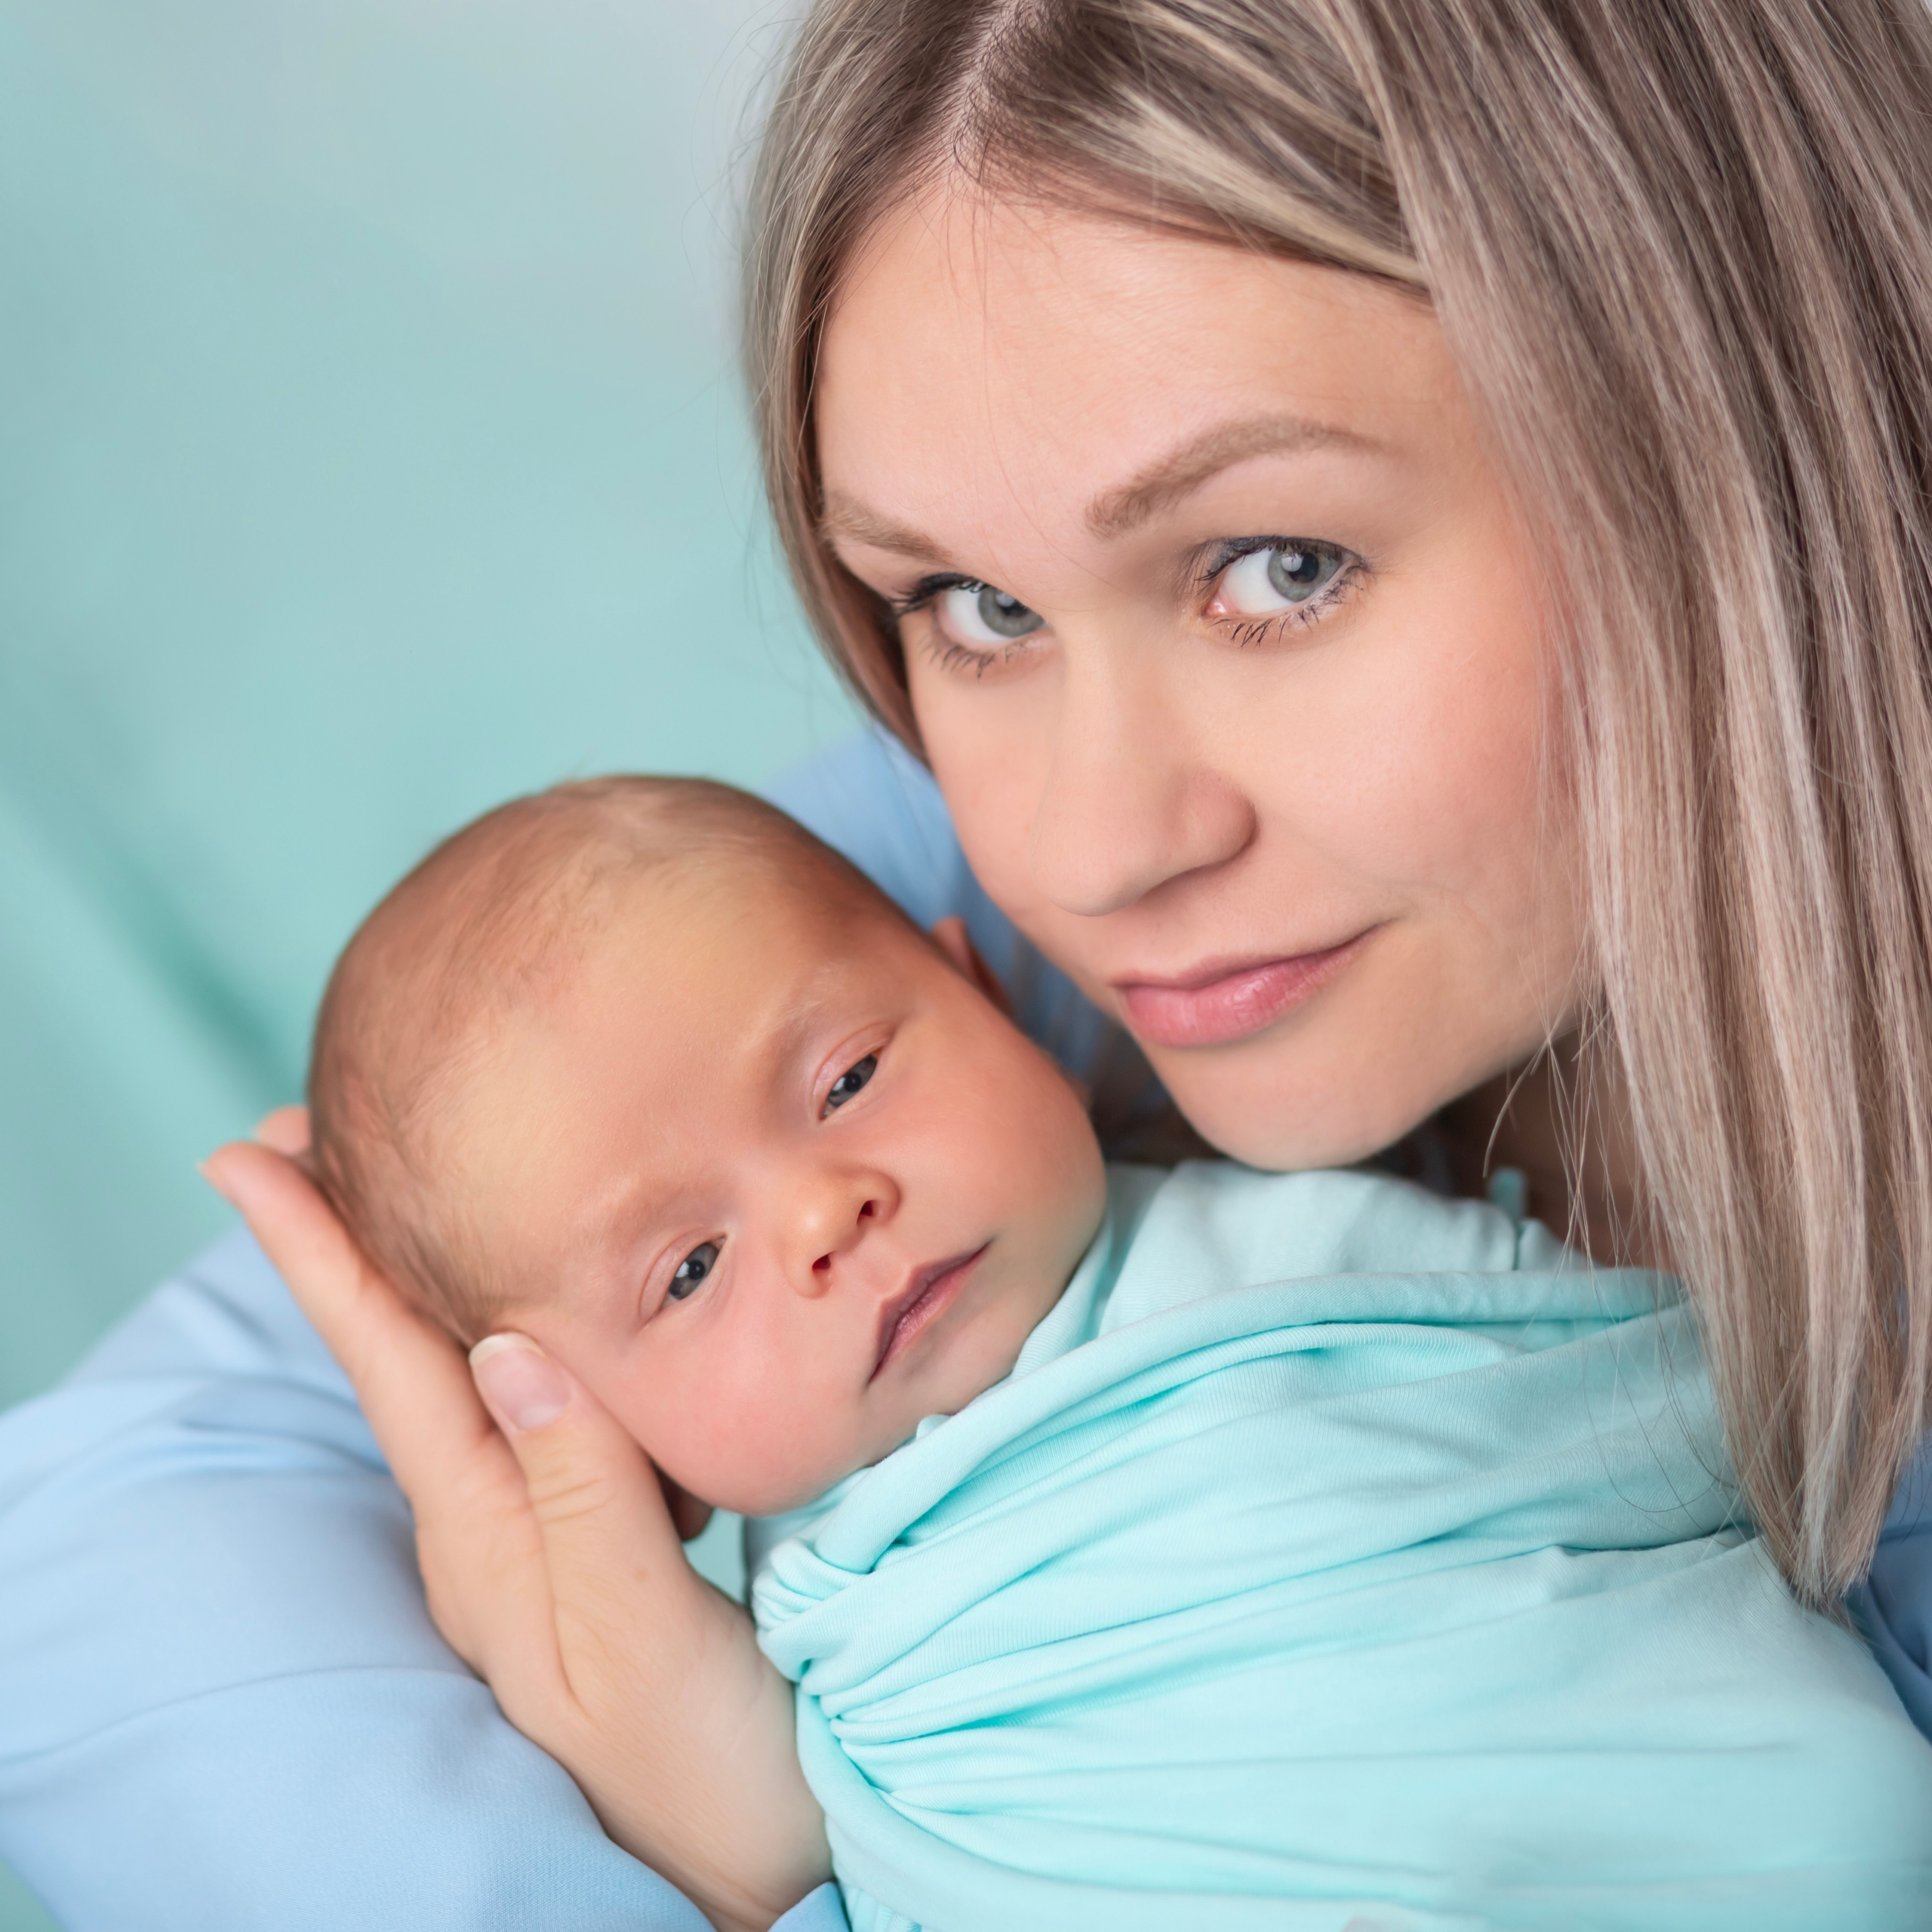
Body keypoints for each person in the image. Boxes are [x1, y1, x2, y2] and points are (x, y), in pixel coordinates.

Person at [2, 0, 1930, 1927]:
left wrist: (776, 1874)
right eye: (976, 605)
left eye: (1277, 568)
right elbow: (107, 1536)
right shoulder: (899, 900)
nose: (1086, 844)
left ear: (1744, 443)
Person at [300, 772, 1932, 1931]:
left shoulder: (1307, 1223)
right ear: (575, 1417)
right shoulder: (771, 1666)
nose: (823, 1211)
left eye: (851, 1076)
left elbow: (1701, 1416)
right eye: (690, 1264)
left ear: (979, 989)